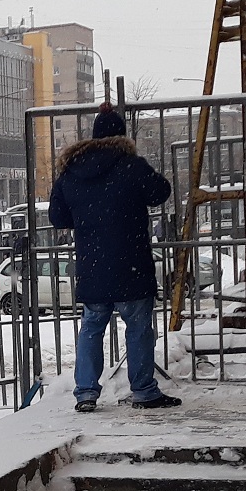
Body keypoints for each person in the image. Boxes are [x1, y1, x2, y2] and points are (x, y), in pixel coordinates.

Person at [48, 105, 180, 413]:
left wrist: (87, 215)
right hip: (131, 262)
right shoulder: (131, 166)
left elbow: (57, 217)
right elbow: (161, 192)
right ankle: (144, 391)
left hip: (93, 266)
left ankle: (85, 392)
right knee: (138, 328)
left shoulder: (71, 172)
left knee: (91, 328)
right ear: (121, 136)